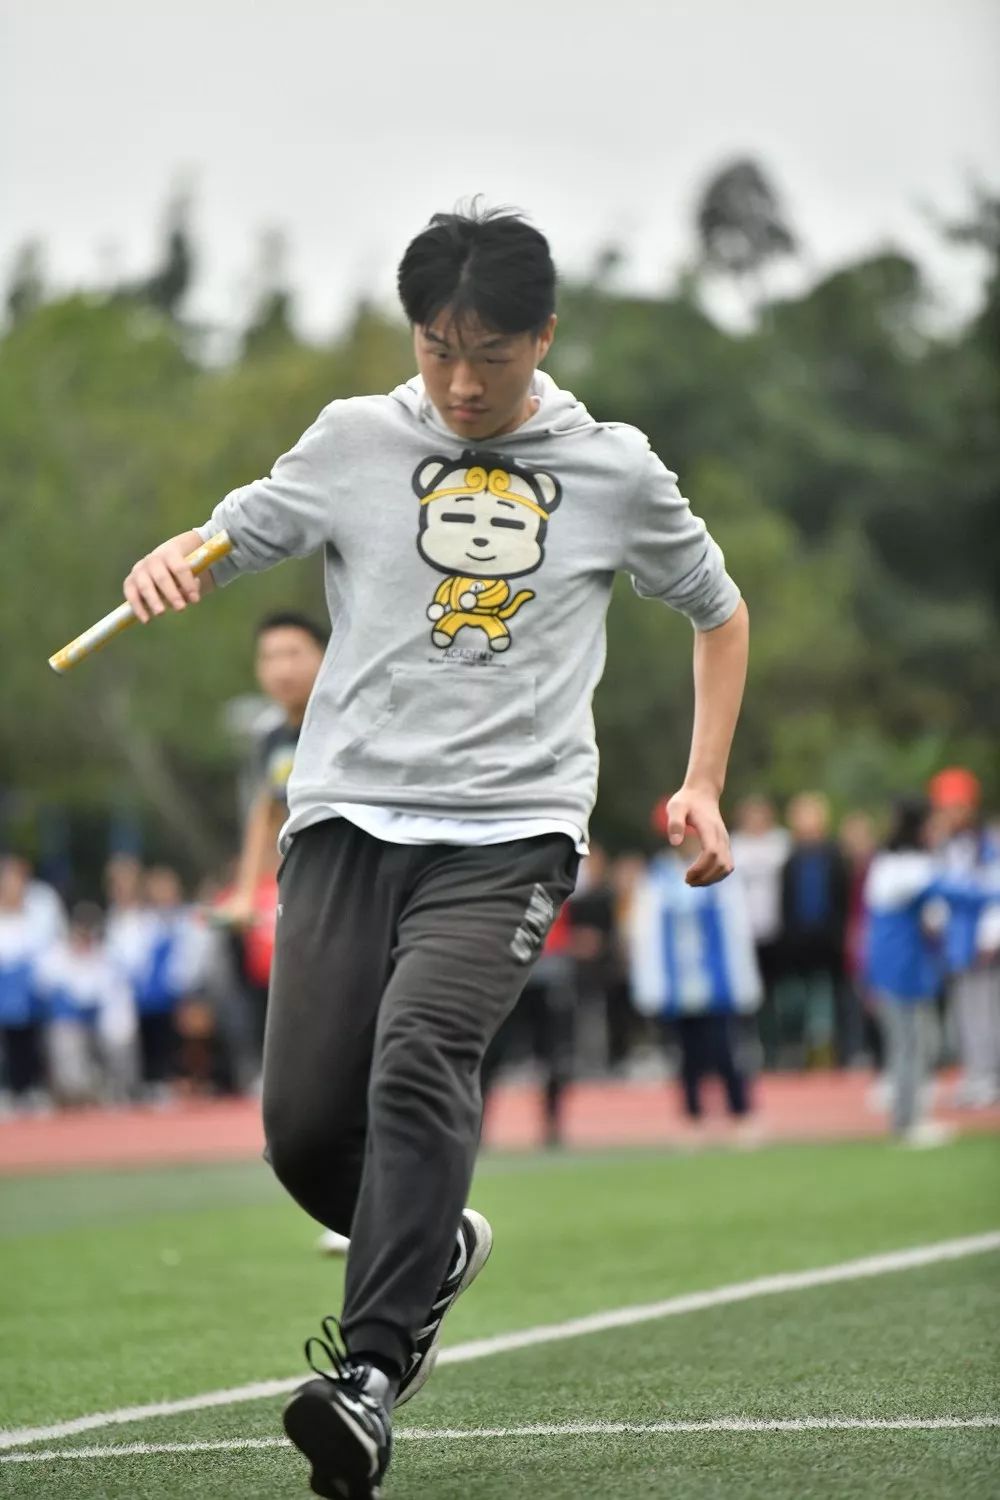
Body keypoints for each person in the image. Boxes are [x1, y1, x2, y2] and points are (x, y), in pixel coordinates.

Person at [121, 204, 748, 1499]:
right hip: (345, 821)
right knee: (304, 1131)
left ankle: (367, 1376)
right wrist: (171, 563)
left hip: (509, 834)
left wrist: (701, 783)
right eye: (438, 350)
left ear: (543, 338)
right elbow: (233, 534)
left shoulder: (613, 471)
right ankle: (435, 1242)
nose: (463, 383)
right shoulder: (356, 441)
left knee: (418, 1056)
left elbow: (719, 611)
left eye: (492, 355)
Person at [630, 808, 760, 1128]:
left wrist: (744, 980)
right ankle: (693, 1114)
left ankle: (740, 1111)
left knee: (724, 1048)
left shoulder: (720, 871)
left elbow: (737, 929)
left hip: (716, 981)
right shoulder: (657, 878)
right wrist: (650, 985)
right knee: (686, 1053)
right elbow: (645, 935)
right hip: (677, 982)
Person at [862, 797, 954, 1147]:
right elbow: (947, 894)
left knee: (921, 1041)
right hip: (899, 966)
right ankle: (906, 1122)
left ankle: (912, 1115)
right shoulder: (901, 865)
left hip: (911, 964)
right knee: (908, 1043)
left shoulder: (900, 862)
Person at [928, 767, 1000, 1107]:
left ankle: (987, 1075)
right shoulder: (943, 846)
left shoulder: (987, 844)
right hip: (955, 940)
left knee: (985, 1009)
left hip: (982, 940)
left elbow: (994, 891)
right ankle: (974, 1071)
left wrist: (990, 936)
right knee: (963, 1011)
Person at [35, 901, 138, 1106]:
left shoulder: (107, 955)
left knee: (120, 1034)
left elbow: (115, 995)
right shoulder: (54, 956)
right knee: (65, 1041)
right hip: (69, 1023)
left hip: (100, 1021)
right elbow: (44, 990)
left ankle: (120, 1088)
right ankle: (79, 1090)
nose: (85, 937)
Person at [778, 792, 850, 1066]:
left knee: (826, 998)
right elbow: (785, 900)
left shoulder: (834, 855)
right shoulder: (791, 858)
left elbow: (842, 896)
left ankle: (826, 1051)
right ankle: (798, 1050)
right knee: (796, 998)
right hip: (797, 941)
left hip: (828, 939)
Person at [729, 795, 789, 1068]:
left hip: (776, 930)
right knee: (746, 995)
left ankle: (776, 1047)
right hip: (743, 933)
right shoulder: (734, 844)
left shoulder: (781, 843)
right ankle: (748, 1047)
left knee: (775, 993)